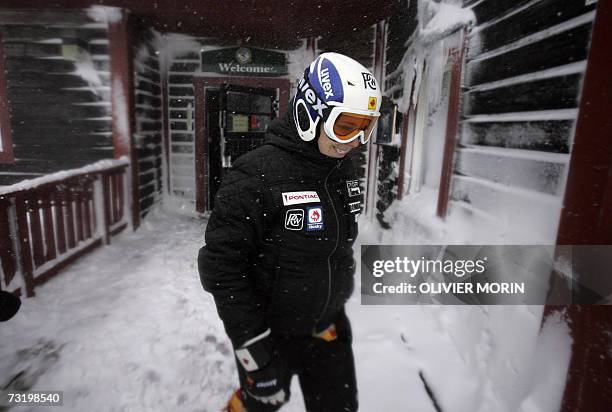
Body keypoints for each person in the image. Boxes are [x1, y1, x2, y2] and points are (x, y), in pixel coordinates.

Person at [198, 52, 382, 412]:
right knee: (262, 402)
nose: (356, 140)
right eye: (346, 126)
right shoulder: (254, 175)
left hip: (326, 329)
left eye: (367, 127)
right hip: (270, 335)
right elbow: (222, 266)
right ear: (311, 113)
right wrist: (252, 345)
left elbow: (334, 250)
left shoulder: (340, 169)